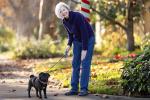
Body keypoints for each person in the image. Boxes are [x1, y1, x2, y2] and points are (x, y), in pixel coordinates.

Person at [55, 2, 95, 96]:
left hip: (88, 39)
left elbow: (84, 33)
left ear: (67, 8)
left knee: (85, 63)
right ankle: (74, 88)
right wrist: (68, 45)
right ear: (59, 15)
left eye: (64, 9)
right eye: (61, 12)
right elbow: (70, 34)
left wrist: (84, 50)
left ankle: (84, 89)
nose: (63, 12)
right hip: (77, 41)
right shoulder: (64, 21)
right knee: (75, 63)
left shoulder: (78, 16)